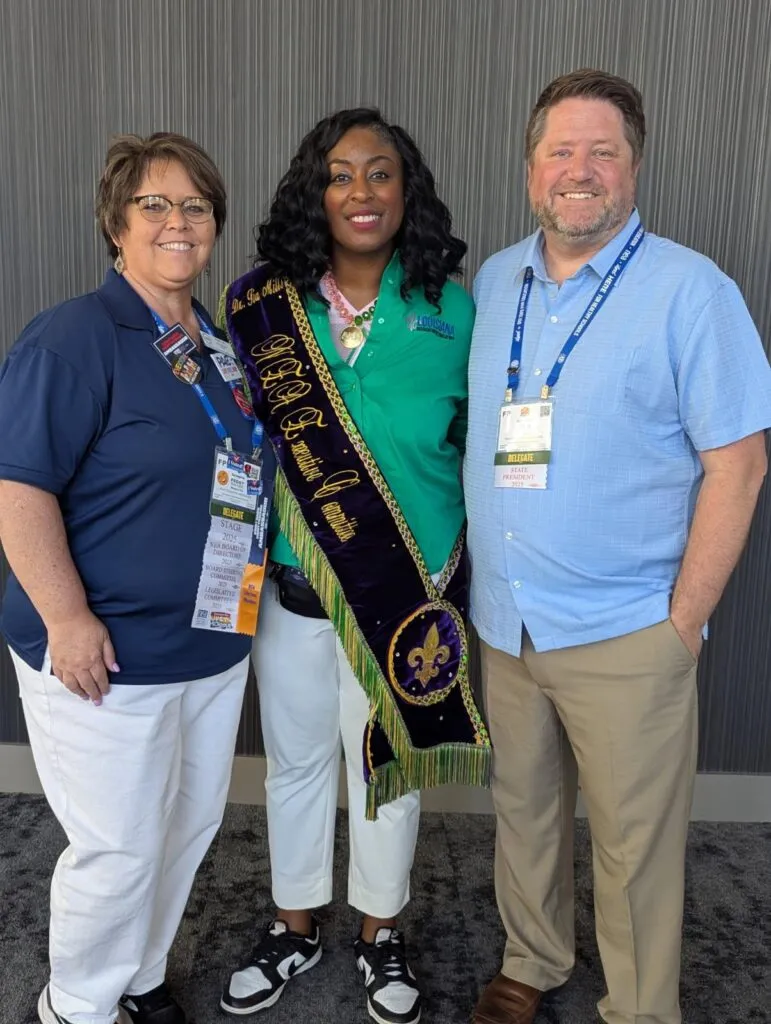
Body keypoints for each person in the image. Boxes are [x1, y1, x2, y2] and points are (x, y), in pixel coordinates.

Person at [464, 69, 771, 1024]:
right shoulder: (494, 279)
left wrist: (682, 624)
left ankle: (640, 1007)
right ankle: (534, 958)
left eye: (602, 151)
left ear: (633, 169)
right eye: (560, 150)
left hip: (626, 630)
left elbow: (740, 464)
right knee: (524, 811)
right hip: (506, 624)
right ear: (529, 172)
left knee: (636, 845)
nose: (579, 170)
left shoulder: (691, 292)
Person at [218, 107, 491, 1024]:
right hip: (295, 589)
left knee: (390, 764)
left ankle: (382, 933)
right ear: (314, 190)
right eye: (340, 174)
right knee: (294, 765)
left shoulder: (453, 304)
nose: (360, 192)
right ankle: (295, 923)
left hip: (406, 591)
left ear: (405, 189)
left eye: (380, 173)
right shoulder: (261, 305)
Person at [0, 133, 258, 1024]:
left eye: (194, 206)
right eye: (155, 205)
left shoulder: (218, 348)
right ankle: (76, 1006)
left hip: (213, 643)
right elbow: (20, 488)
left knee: (183, 833)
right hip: (104, 651)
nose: (177, 222)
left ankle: (138, 981)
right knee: (118, 848)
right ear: (117, 223)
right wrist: (66, 617)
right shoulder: (75, 336)